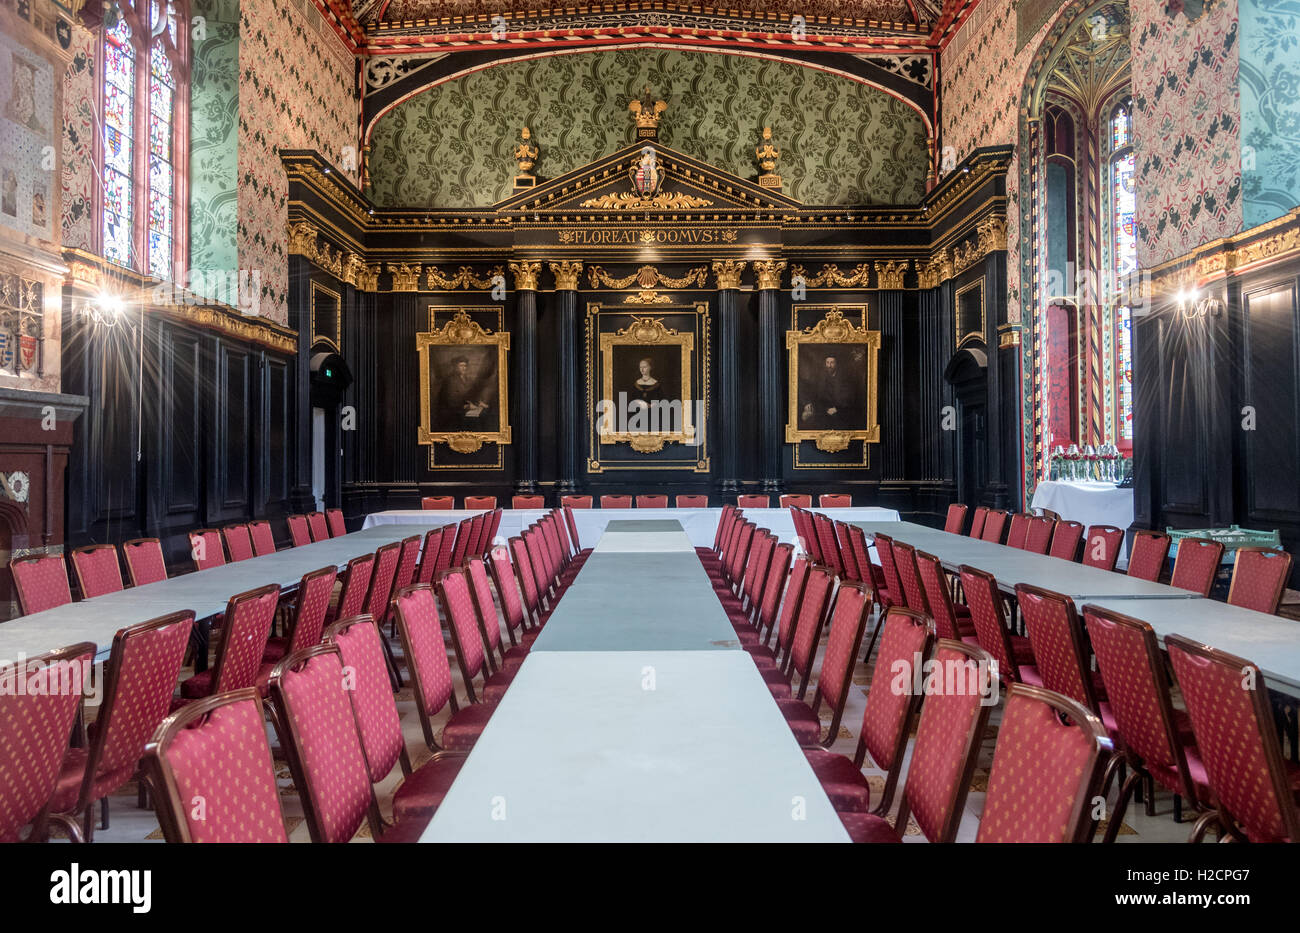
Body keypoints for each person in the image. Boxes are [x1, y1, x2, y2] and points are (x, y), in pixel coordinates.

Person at [801, 353, 861, 430]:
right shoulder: (821, 377)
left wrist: (837, 409)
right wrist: (807, 402)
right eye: (827, 363)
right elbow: (813, 392)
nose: (829, 366)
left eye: (832, 363)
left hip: (841, 411)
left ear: (836, 364)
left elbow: (849, 398)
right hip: (825, 410)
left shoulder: (844, 378)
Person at [438, 355, 492, 431]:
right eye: (461, 366)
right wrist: (466, 406)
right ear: (455, 367)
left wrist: (478, 402)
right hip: (452, 412)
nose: (464, 368)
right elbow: (450, 400)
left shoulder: (466, 379)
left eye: (465, 366)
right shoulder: (450, 380)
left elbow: (470, 394)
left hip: (462, 409)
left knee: (483, 415)